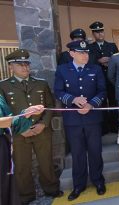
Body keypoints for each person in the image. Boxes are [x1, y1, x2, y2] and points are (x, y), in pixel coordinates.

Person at [0, 49, 63, 204]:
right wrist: (21, 129)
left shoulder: (41, 83)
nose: (25, 67)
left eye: (27, 64)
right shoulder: (4, 86)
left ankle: (51, 189)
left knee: (46, 162)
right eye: (20, 65)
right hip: (18, 134)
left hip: (41, 131)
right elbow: (5, 113)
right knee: (21, 166)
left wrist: (43, 124)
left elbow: (49, 105)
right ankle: (25, 196)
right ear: (10, 67)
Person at [54, 40, 107, 201]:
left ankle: (98, 181)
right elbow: (58, 91)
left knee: (95, 151)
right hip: (73, 119)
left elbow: (102, 91)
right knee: (77, 154)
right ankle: (79, 184)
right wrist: (73, 99)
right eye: (81, 52)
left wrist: (91, 104)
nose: (85, 55)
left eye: (86, 52)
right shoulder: (63, 70)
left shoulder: (95, 69)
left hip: (92, 118)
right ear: (72, 54)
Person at [0, 97, 44, 205]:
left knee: (5, 186)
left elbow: (12, 122)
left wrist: (27, 114)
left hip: (2, 147)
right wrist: (25, 114)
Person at [88, 21, 119, 134]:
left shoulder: (112, 46)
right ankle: (104, 128)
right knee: (101, 103)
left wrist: (110, 61)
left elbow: (117, 61)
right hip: (97, 80)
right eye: (97, 32)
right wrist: (99, 61)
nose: (100, 34)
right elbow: (88, 62)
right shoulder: (90, 47)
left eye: (101, 31)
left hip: (111, 79)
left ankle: (115, 127)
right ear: (93, 34)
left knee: (113, 102)